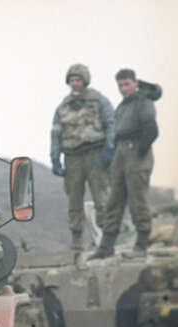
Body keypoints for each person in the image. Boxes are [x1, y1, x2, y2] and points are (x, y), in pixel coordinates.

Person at [89, 69, 162, 259]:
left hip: (137, 149)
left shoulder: (143, 102)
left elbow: (151, 129)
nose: (123, 88)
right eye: (120, 85)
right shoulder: (122, 107)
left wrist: (141, 149)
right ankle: (106, 246)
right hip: (120, 152)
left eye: (127, 84)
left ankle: (141, 243)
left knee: (137, 198)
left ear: (135, 83)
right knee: (114, 199)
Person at [50, 63, 115, 251]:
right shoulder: (63, 107)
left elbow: (111, 124)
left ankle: (106, 237)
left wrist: (109, 150)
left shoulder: (99, 101)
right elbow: (55, 133)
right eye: (72, 80)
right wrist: (55, 158)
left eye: (78, 80)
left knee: (101, 196)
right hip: (72, 157)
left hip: (96, 153)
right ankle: (76, 239)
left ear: (85, 81)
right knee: (74, 199)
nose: (75, 83)